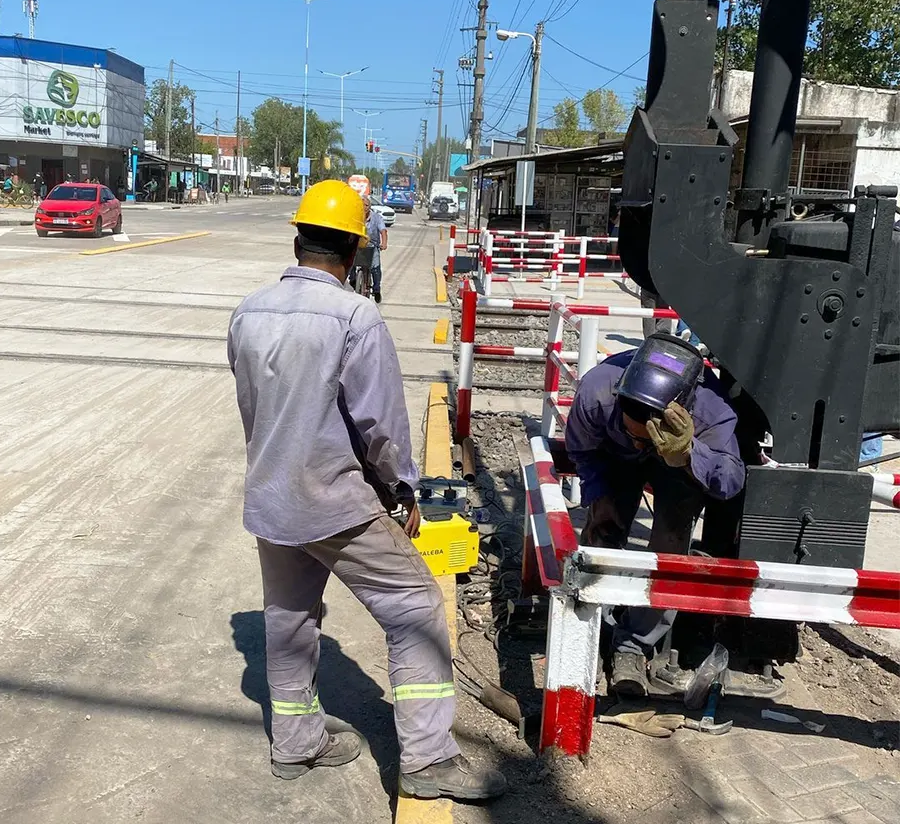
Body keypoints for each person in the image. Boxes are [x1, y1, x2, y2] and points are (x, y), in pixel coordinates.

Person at [227, 180, 506, 801]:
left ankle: (296, 746)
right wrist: (402, 490)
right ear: (356, 248)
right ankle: (429, 762)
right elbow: (379, 425)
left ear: (298, 240)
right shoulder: (355, 317)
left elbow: (254, 410)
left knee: (289, 620)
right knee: (414, 609)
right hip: (335, 502)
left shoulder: (248, 311)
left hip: (271, 496)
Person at [564, 333, 745, 696]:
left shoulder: (711, 410)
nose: (636, 443)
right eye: (631, 434)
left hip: (680, 462)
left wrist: (690, 454)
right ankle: (591, 619)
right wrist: (600, 496)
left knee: (670, 542)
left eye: (643, 439)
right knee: (603, 525)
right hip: (614, 462)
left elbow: (730, 481)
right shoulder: (597, 392)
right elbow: (582, 452)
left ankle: (633, 644)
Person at [348, 194, 387, 302]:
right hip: (358, 245)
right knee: (350, 262)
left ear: (369, 206)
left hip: (372, 246)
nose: (363, 207)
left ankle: (376, 289)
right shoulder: (355, 216)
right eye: (361, 205)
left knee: (375, 267)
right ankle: (353, 280)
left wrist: (384, 243)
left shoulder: (376, 217)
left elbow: (383, 231)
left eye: (365, 205)